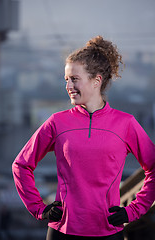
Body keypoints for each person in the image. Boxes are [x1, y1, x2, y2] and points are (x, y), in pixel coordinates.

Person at [12, 36, 155, 240]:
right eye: (66, 79)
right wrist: (39, 208)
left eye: (74, 79)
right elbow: (21, 165)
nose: (68, 85)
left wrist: (133, 210)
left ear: (96, 81)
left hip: (109, 232)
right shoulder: (56, 122)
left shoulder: (126, 124)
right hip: (62, 232)